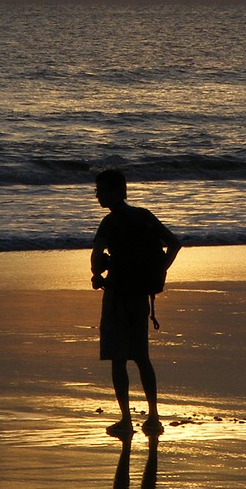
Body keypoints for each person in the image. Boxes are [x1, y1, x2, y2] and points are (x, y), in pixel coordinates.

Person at [91, 169, 181, 439]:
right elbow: (174, 243)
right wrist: (160, 272)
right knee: (142, 357)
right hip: (141, 296)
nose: (97, 195)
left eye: (101, 190)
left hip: (118, 295)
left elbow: (97, 255)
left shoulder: (109, 222)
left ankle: (126, 420)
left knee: (118, 359)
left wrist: (98, 274)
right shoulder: (144, 216)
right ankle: (153, 417)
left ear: (116, 192)